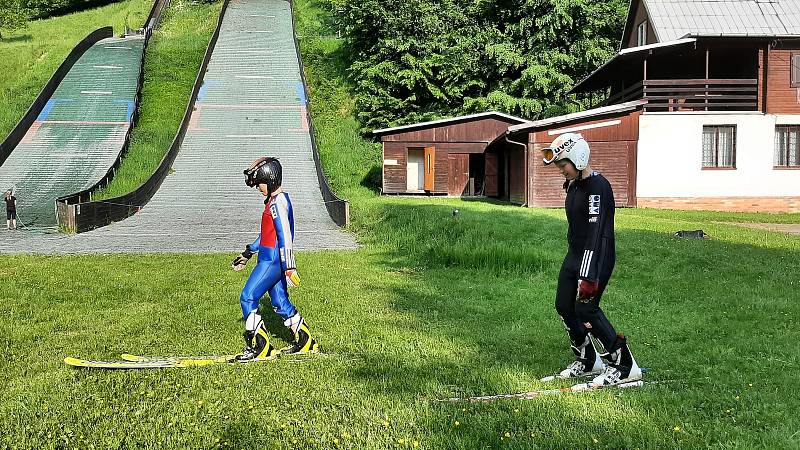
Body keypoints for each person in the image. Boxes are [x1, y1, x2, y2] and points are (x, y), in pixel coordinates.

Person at [541, 133, 641, 386]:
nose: (561, 170)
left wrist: (588, 274)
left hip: (596, 256)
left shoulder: (598, 186)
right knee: (564, 305)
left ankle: (625, 366)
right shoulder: (574, 185)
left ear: (578, 158)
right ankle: (588, 360)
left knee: (586, 308)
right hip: (575, 254)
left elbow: (596, 234)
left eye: (563, 165)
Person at [231, 156, 320, 361]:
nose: (257, 188)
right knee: (280, 301)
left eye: (259, 183)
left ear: (270, 181)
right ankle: (305, 341)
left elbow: (284, 235)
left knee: (248, 297)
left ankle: (260, 347)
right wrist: (247, 253)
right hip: (271, 257)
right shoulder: (274, 201)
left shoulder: (277, 203)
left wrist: (290, 266)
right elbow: (266, 234)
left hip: (271, 260)